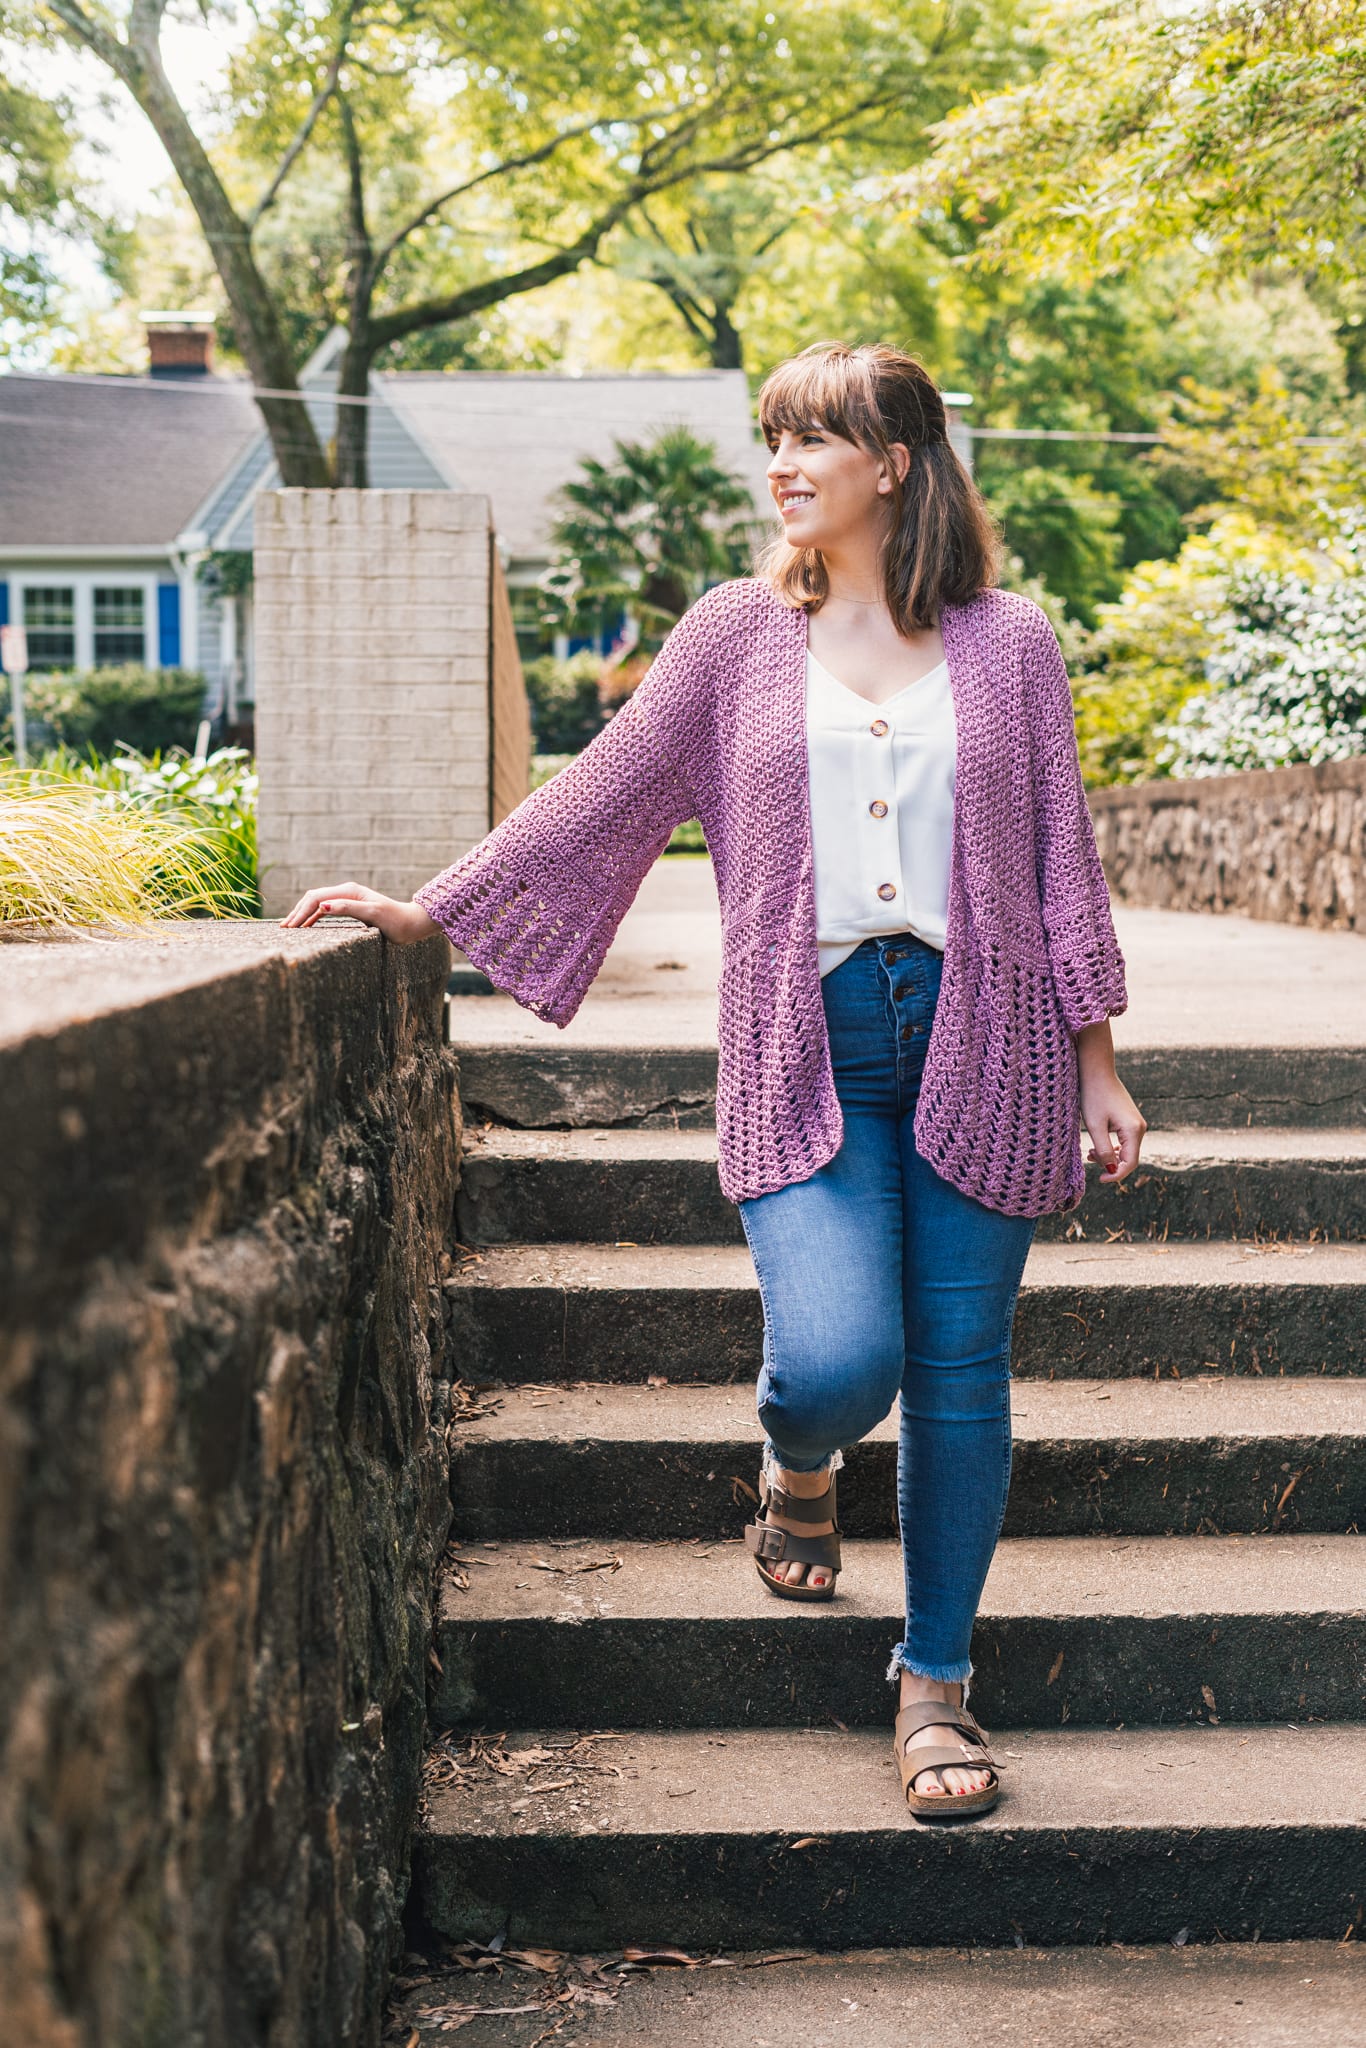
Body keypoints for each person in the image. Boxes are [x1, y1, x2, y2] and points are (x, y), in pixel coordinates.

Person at [283, 340, 1145, 1820]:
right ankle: (791, 1452)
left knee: (956, 1379)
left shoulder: (1011, 642)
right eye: (772, 438)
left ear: (895, 462)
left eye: (814, 438)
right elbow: (602, 791)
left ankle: (933, 1684)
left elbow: (1059, 861)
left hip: (981, 1035)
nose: (783, 465)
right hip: (806, 1038)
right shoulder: (734, 633)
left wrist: (1098, 1064)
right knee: (833, 1362)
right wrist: (436, 912)